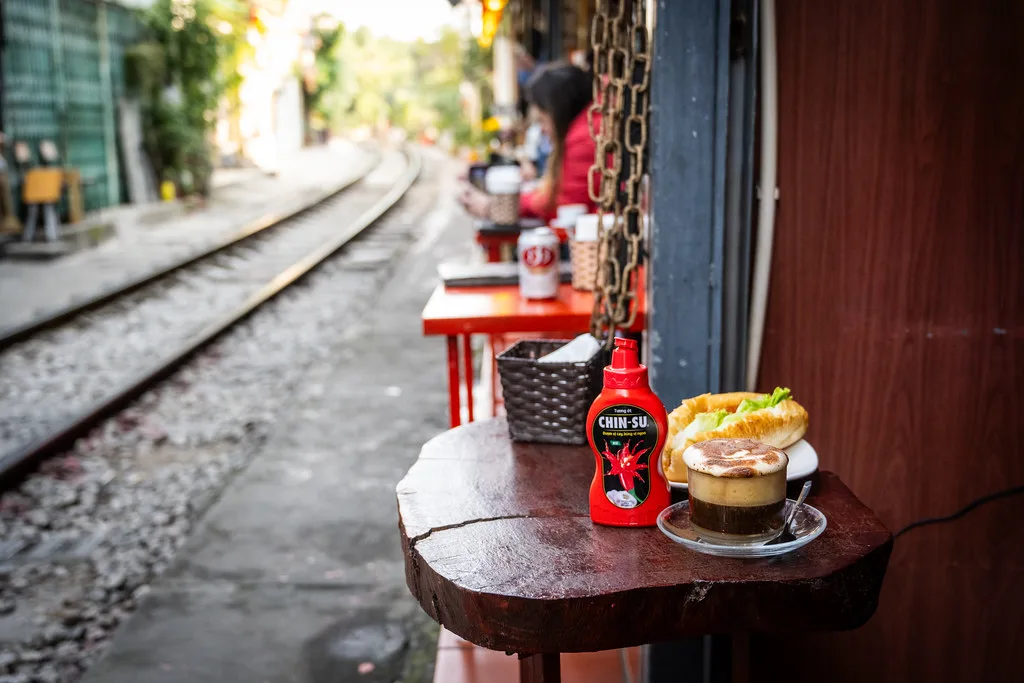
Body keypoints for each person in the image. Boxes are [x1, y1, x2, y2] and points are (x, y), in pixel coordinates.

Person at [460, 62, 597, 223]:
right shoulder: (586, 129)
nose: (543, 130)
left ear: (559, 112)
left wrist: (496, 206)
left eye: (543, 121)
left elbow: (561, 202)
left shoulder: (583, 139)